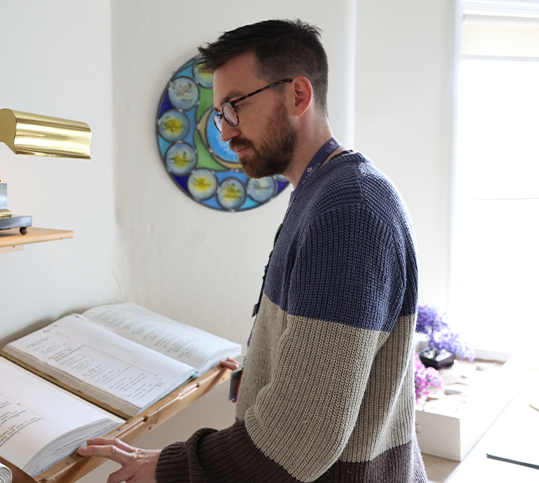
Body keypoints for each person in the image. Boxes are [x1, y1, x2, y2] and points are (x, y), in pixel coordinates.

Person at [79, 19, 426, 482]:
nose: (225, 131)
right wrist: (256, 366)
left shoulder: (347, 212)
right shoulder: (324, 192)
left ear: (298, 96)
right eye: (221, 114)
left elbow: (297, 441)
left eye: (234, 107)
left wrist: (170, 468)